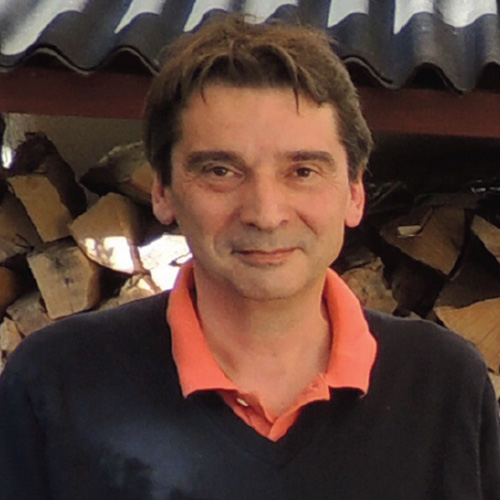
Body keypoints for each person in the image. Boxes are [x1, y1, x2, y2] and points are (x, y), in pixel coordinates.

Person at [1, 14, 499, 500]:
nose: (265, 213)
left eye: (302, 171)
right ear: (163, 192)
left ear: (354, 193)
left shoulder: (445, 385)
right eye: (220, 170)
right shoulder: (54, 384)